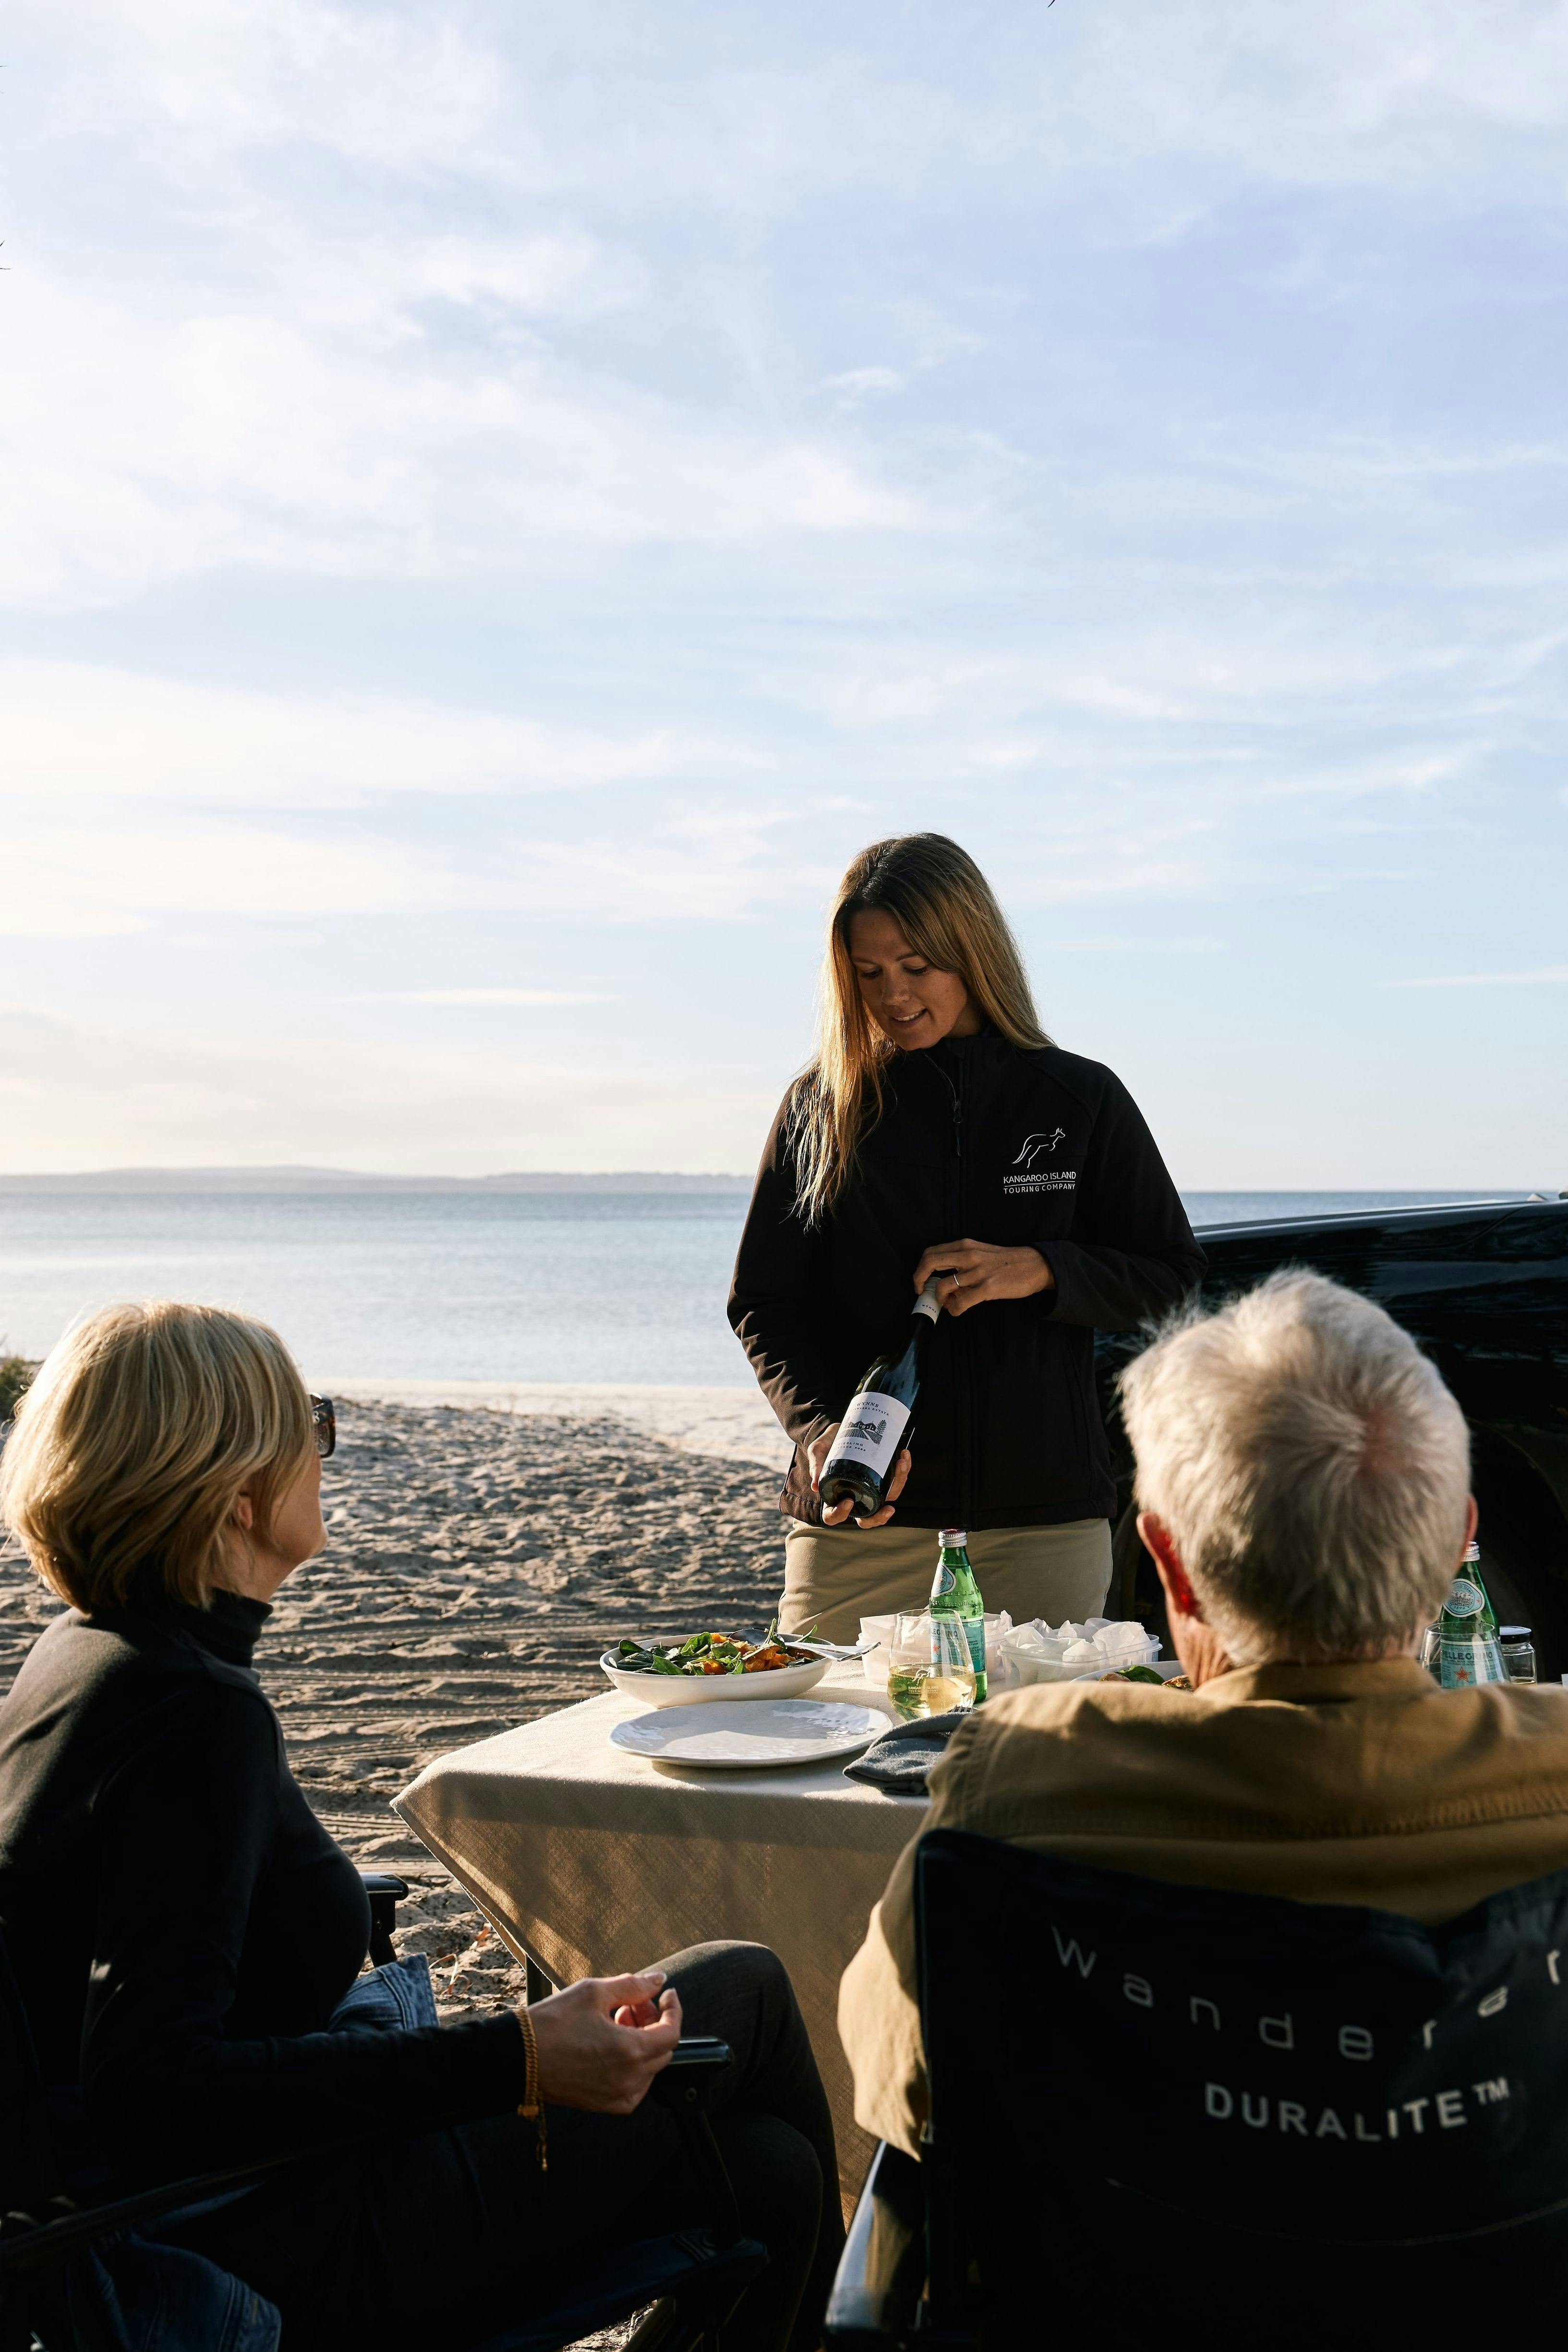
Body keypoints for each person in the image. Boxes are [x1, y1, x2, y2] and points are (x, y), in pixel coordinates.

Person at [0, 1301, 841, 2352]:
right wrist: (520, 2054)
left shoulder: (81, 1659)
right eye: (307, 1424)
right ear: (235, 1495)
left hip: (226, 2194)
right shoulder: (189, 1713)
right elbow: (153, 2086)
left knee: (770, 2168)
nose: (323, 1448)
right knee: (747, 1984)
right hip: (280, 2241)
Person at [839, 1268, 1568, 2158]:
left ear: (1169, 1566)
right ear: (1459, 1544)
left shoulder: (1016, 1794)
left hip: (1120, 2292)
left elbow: (901, 2086)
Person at [728, 831, 1205, 1643]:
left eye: (916, 967)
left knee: (1031, 1762)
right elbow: (766, 1304)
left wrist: (1044, 1270)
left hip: (1042, 1523)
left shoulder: (1077, 1098)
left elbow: (1173, 1277)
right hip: (864, 1519)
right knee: (822, 1752)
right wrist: (816, 1434)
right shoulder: (820, 1107)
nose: (893, 996)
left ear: (973, 951)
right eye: (867, 973)